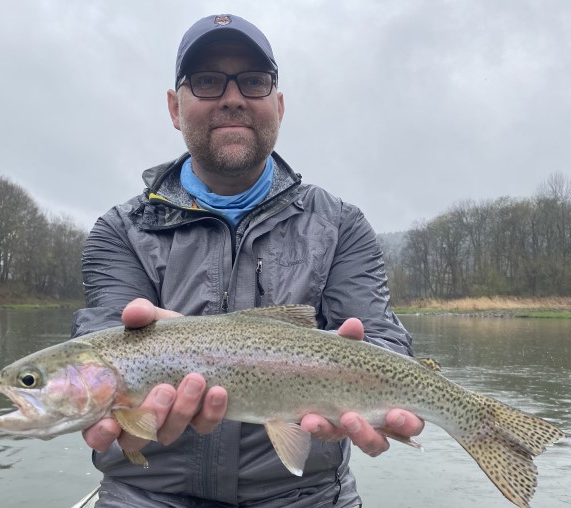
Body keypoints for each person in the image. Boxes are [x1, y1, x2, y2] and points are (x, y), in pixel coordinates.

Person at [72, 13, 424, 508]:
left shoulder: (341, 224)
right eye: (207, 81)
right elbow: (103, 346)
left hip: (307, 495)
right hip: (146, 493)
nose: (233, 98)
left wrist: (378, 380)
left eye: (254, 82)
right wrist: (113, 408)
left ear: (278, 105)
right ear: (174, 107)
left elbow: (384, 342)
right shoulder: (120, 230)